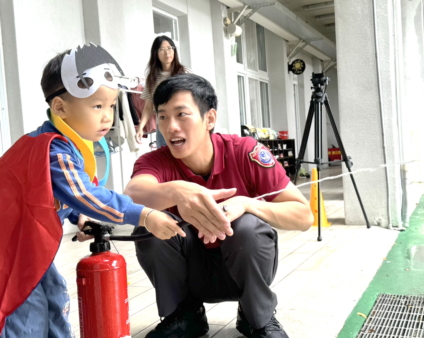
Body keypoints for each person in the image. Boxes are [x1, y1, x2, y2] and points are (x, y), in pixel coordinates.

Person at [0, 44, 185, 338]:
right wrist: (144, 215)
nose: (107, 116)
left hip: (29, 249)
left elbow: (61, 193)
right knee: (26, 313)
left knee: (54, 298)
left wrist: (80, 217)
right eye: (97, 106)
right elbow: (85, 195)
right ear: (60, 107)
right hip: (10, 253)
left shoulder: (69, 145)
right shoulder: (53, 149)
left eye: (111, 106)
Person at [124, 74, 314, 338]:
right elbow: (132, 194)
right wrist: (179, 192)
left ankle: (256, 318)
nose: (170, 127)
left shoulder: (244, 152)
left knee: (248, 226)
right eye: (163, 116)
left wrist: (248, 204)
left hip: (241, 266)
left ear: (209, 119)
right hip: (191, 272)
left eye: (182, 114)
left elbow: (303, 216)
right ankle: (184, 315)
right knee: (151, 226)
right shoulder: (155, 161)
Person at [135, 35, 191, 148]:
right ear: (156, 53)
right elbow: (148, 106)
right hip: (162, 124)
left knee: (184, 156)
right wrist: (140, 128)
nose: (167, 52)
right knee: (164, 158)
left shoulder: (185, 73)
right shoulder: (152, 78)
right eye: (162, 49)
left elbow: (193, 100)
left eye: (170, 48)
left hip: (182, 122)